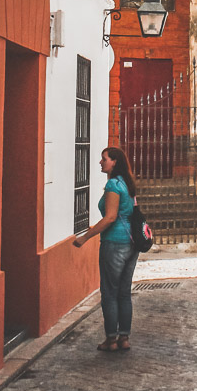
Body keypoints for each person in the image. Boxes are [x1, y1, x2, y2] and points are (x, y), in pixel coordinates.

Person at [73, 145, 139, 351]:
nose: (101, 162)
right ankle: (124, 337)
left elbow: (110, 217)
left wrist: (85, 238)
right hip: (132, 242)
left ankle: (111, 339)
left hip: (114, 242)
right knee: (124, 292)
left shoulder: (113, 186)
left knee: (110, 292)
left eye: (105, 159)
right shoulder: (128, 184)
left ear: (114, 162)